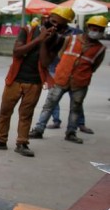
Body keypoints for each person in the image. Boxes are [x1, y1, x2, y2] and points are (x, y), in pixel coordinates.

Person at [0, 7, 72, 157]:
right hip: (15, 78)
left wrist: (45, 42)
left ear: (64, 27)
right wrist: (38, 39)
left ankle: (22, 143)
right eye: (53, 21)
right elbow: (17, 52)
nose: (55, 26)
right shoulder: (28, 30)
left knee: (26, 114)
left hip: (35, 82)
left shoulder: (58, 40)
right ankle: (0, 140)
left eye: (60, 25)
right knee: (5, 111)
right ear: (47, 18)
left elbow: (45, 63)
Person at [29, 15, 106, 144]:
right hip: (61, 78)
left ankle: (71, 133)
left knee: (75, 108)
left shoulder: (100, 49)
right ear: (88, 28)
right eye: (94, 28)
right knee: (49, 105)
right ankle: (38, 129)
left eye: (99, 29)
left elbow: (94, 66)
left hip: (80, 82)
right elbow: (60, 53)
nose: (96, 31)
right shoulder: (71, 39)